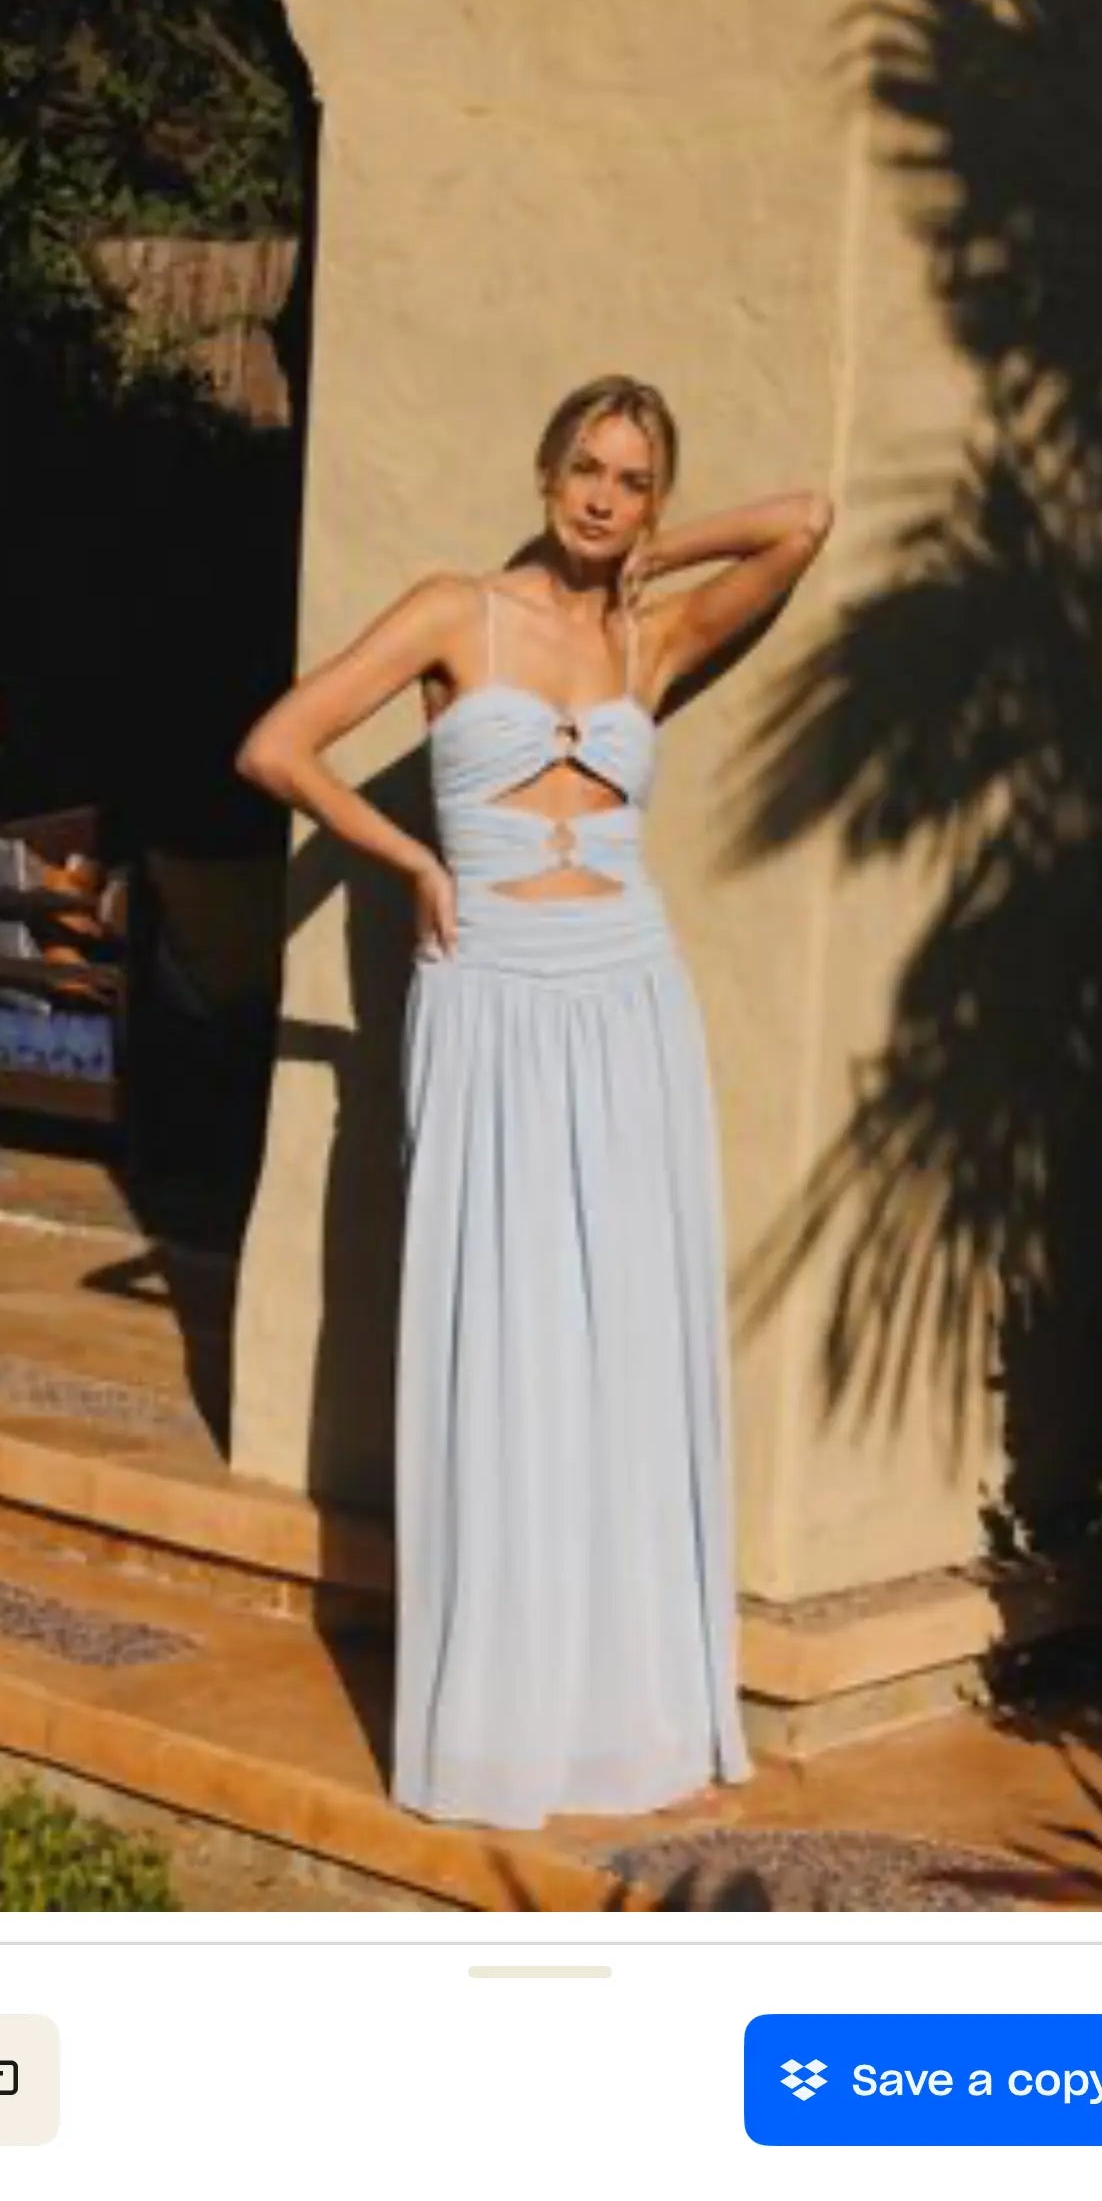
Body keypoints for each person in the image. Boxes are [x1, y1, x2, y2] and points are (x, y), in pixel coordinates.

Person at [237, 375, 833, 1827]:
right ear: (544, 468)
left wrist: (657, 555)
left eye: (632, 480)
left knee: (624, 1341)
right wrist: (413, 861)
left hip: (628, 992)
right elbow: (276, 746)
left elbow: (805, 522)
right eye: (586, 469)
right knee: (501, 1341)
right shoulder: (458, 613)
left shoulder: (650, 638)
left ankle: (623, 1709)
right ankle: (502, 1714)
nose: (603, 497)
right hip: (491, 984)